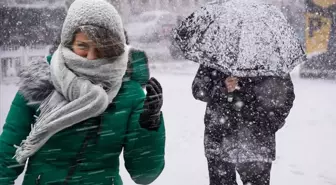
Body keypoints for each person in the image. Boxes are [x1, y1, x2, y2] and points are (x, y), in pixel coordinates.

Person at [0, 0, 165, 184]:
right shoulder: (41, 81)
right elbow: (8, 152)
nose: (91, 58)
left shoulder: (129, 92)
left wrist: (149, 124)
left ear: (114, 50)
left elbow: (144, 174)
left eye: (101, 50)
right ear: (68, 43)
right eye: (82, 46)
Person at [192, 65, 295, 185]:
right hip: (220, 140)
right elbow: (198, 90)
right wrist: (222, 85)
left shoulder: (270, 58)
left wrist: (268, 124)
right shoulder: (216, 54)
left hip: (257, 143)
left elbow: (286, 96)